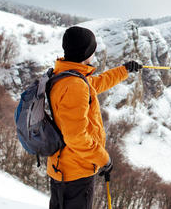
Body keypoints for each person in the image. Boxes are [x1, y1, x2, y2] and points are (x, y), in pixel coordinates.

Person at [47, 26, 142, 209]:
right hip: (76, 173)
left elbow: (96, 84)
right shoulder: (75, 85)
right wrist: (103, 158)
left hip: (62, 167)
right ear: (86, 54)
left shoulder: (65, 75)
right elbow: (76, 136)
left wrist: (124, 70)